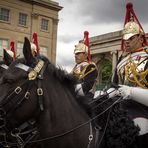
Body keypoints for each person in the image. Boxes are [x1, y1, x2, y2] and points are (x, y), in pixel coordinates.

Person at [107, 3, 148, 147]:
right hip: (121, 106)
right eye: (126, 39)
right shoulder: (121, 62)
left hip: (142, 107)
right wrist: (108, 93)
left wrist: (131, 91)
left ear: (141, 39)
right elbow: (114, 84)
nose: (127, 42)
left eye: (131, 38)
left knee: (140, 127)